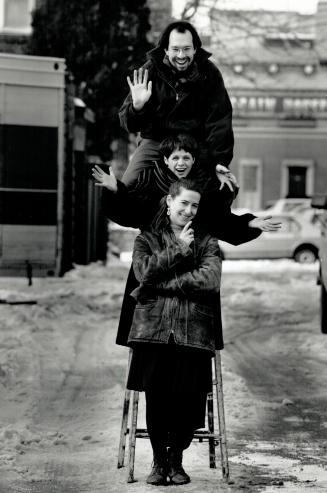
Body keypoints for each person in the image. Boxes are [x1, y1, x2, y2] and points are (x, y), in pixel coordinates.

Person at [92, 133, 280, 346]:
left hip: (194, 267)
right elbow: (130, 212)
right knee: (147, 341)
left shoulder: (204, 188)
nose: (181, 163)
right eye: (175, 158)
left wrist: (249, 223)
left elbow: (219, 221)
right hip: (155, 263)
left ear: (194, 160)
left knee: (193, 339)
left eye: (186, 158)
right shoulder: (149, 183)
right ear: (165, 160)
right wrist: (115, 189)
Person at [127, 178, 221, 485]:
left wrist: (161, 285)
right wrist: (180, 248)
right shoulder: (147, 238)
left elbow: (210, 279)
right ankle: (158, 461)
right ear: (169, 202)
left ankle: (176, 458)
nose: (189, 210)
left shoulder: (207, 240)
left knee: (189, 400)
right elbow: (143, 271)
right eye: (184, 203)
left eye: (195, 205)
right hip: (153, 329)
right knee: (157, 397)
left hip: (193, 331)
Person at [119, 20, 234, 187]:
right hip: (155, 141)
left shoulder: (210, 74)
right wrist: (137, 106)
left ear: (195, 49)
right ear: (166, 49)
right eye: (175, 49)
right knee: (128, 185)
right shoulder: (149, 71)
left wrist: (220, 161)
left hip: (195, 144)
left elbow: (220, 121)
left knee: (221, 188)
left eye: (186, 49)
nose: (181, 55)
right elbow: (128, 124)